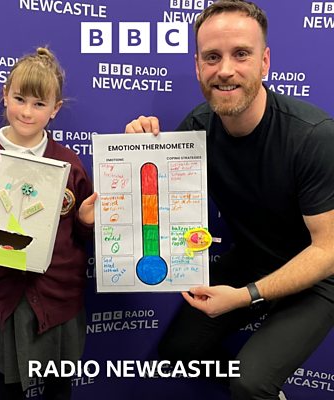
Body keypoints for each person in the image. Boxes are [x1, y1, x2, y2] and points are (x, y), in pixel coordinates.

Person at [125, 1, 334, 399]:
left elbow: (328, 250)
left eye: (241, 54)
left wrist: (246, 295)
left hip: (319, 274)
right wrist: (137, 152)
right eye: (212, 57)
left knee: (249, 383)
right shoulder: (196, 129)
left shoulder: (313, 136)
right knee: (179, 354)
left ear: (264, 62)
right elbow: (155, 206)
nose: (225, 70)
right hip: (252, 259)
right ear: (197, 66)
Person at [0, 47, 96, 400]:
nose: (27, 111)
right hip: (9, 299)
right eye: (20, 99)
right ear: (5, 95)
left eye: (39, 104)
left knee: (59, 386)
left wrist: (86, 222)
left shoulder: (69, 163)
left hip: (61, 298)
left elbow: (81, 232)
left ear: (55, 109)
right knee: (9, 386)